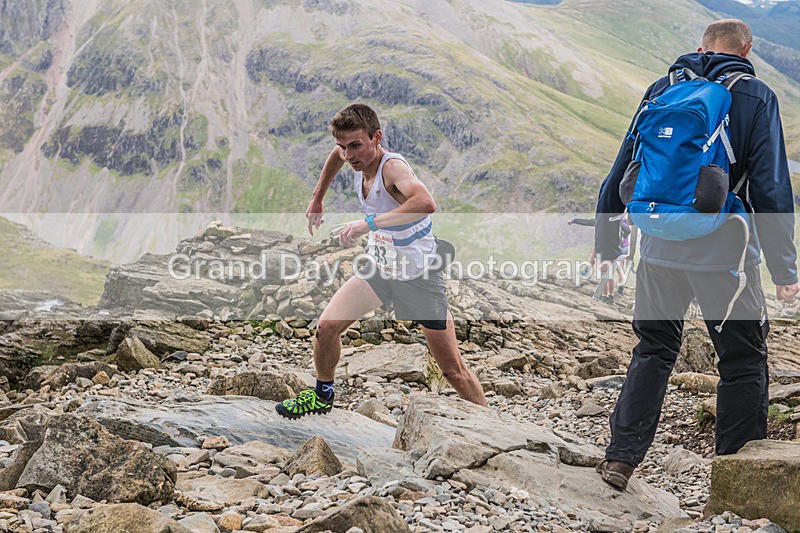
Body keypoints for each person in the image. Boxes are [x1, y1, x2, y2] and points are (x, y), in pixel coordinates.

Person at [593, 19, 799, 490]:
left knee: (653, 349)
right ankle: (736, 474)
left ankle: (620, 459)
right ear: (746, 50)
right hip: (724, 254)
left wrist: (608, 245)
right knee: (742, 359)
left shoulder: (662, 88)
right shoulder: (755, 95)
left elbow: (621, 169)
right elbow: (770, 188)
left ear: (701, 47)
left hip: (659, 247)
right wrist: (785, 270)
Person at [276, 103, 487, 419]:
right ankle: (322, 396)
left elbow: (426, 202)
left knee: (452, 370)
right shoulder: (351, 156)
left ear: (377, 137)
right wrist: (317, 198)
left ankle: (496, 429)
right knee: (325, 328)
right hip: (379, 267)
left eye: (356, 145)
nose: (348, 155)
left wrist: (368, 224)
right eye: (343, 146)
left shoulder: (392, 169)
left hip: (418, 276)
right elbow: (335, 157)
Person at [568, 216, 631, 300]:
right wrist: (574, 220)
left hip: (616, 247)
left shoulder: (613, 220)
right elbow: (627, 230)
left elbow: (627, 230)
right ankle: (618, 290)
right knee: (615, 269)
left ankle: (611, 293)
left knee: (610, 270)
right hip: (617, 246)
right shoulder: (614, 218)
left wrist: (619, 240)